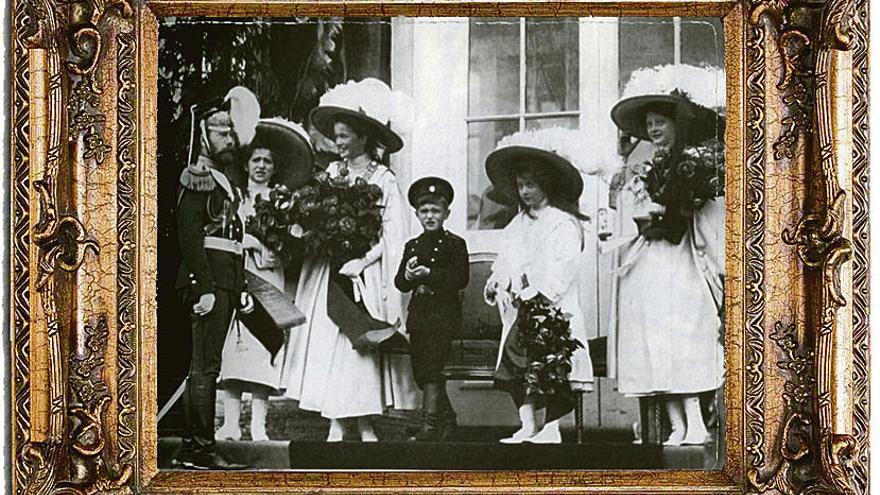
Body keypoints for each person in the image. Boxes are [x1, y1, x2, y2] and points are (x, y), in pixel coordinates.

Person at [284, 78, 418, 441]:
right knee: (331, 344)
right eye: (336, 136)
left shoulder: (384, 179)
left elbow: (396, 236)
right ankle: (337, 421)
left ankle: (364, 420)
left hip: (364, 274)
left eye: (344, 136)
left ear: (362, 136)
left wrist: (366, 261)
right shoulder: (330, 175)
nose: (338, 143)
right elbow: (315, 218)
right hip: (330, 272)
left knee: (358, 345)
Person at [607, 73, 725, 446]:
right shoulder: (647, 165)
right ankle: (677, 423)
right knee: (652, 338)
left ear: (676, 124)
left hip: (680, 257)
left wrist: (671, 216)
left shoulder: (694, 163)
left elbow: (697, 213)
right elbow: (626, 209)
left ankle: (696, 421)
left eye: (660, 122)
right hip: (649, 258)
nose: (654, 129)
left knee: (680, 336)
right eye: (649, 125)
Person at [483, 134, 594, 444]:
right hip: (522, 310)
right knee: (517, 364)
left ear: (546, 184)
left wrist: (542, 292)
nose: (525, 191)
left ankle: (551, 427)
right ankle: (527, 423)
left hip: (552, 309)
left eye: (531, 184)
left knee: (548, 365)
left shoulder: (563, 223)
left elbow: (566, 265)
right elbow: (504, 261)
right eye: (520, 185)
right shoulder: (516, 225)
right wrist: (497, 282)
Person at [172, 87, 259, 470]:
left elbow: (232, 241)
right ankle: (199, 450)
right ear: (204, 135)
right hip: (206, 282)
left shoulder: (225, 181)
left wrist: (239, 287)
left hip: (224, 281)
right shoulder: (198, 177)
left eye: (229, 131)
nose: (229, 137)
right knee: (204, 367)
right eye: (220, 131)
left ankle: (197, 447)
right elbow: (190, 236)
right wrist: (203, 287)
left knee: (209, 366)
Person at [215, 118, 313, 442]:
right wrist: (244, 244)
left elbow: (293, 247)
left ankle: (258, 424)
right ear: (246, 164)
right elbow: (221, 234)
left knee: (262, 347)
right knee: (234, 349)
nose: (261, 166)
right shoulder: (235, 198)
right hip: (238, 278)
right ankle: (231, 423)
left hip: (268, 279)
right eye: (255, 160)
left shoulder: (283, 201)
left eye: (267, 161)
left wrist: (269, 248)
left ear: (274, 168)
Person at [394, 177, 469, 442]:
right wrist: (408, 274)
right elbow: (400, 284)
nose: (430, 216)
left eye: (436, 211)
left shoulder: (455, 244)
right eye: (424, 211)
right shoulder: (412, 245)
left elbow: (460, 279)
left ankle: (430, 427)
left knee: (432, 369)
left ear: (446, 213)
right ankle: (447, 422)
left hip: (443, 315)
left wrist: (429, 273)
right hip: (420, 315)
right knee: (420, 372)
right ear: (416, 214)